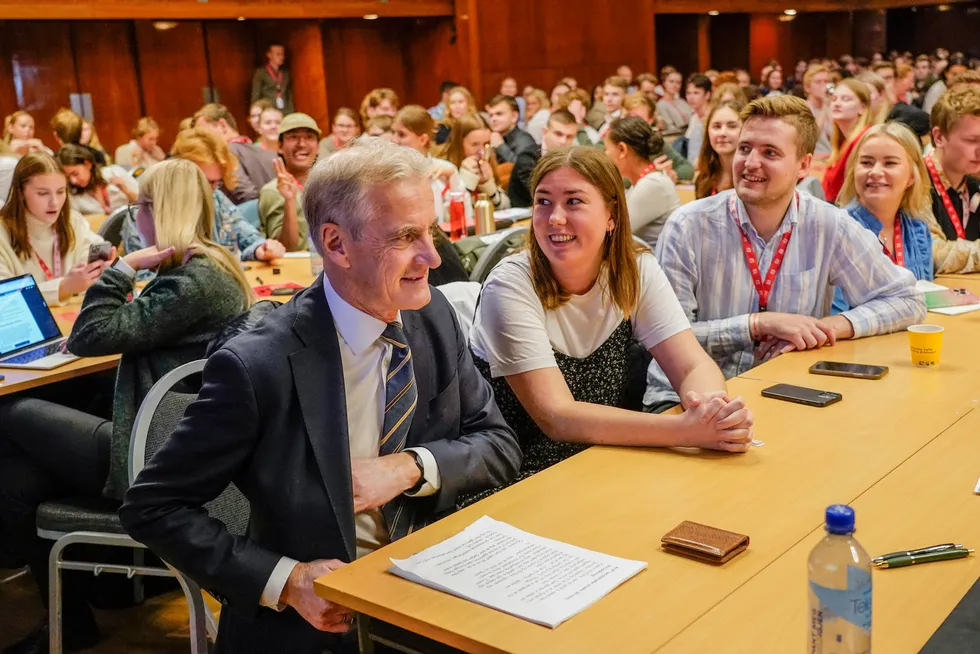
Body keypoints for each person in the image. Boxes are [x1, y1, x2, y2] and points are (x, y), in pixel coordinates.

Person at [119, 139, 522, 654]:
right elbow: (154, 507)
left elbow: (497, 443)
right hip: (325, 618)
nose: (433, 255)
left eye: (431, 231)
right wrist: (288, 581)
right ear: (336, 244)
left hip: (436, 586)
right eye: (405, 237)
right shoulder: (259, 364)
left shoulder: (432, 315)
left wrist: (411, 467)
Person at [0, 158, 252, 654]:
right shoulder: (209, 264)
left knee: (12, 413)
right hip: (175, 441)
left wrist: (119, 271)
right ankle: (91, 601)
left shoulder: (191, 282)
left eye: (140, 206)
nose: (134, 215)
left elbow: (91, 334)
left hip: (156, 456)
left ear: (162, 212)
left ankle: (78, 612)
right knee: (15, 479)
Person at [468, 145, 752, 495]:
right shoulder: (510, 284)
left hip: (601, 460)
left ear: (611, 216)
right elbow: (557, 417)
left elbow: (693, 363)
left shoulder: (635, 269)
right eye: (543, 202)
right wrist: (685, 430)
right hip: (516, 477)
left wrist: (713, 411)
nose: (555, 217)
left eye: (574, 201)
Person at [645, 95, 925, 409]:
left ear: (803, 166)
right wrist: (758, 324)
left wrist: (828, 327)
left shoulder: (827, 224)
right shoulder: (688, 226)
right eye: (745, 148)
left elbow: (906, 300)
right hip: (686, 399)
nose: (751, 163)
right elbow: (667, 339)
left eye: (770, 153)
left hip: (785, 388)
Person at [124, 128, 285, 264]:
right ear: (178, 172)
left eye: (216, 183)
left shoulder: (217, 199)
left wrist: (260, 249)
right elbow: (142, 279)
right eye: (204, 182)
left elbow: (248, 238)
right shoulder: (146, 210)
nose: (210, 191)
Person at [837, 122, 936, 293]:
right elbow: (834, 313)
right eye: (866, 163)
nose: (875, 172)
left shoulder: (918, 230)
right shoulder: (838, 231)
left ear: (912, 176)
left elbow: (924, 296)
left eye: (889, 163)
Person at [0, 152, 109, 306]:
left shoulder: (73, 220)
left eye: (60, 192)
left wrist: (100, 269)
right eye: (43, 193)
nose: (55, 203)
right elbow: (5, 299)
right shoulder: (3, 233)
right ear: (21, 193)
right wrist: (64, 287)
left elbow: (91, 251)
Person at [603, 116, 681, 249]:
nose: (605, 154)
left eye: (607, 148)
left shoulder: (653, 184)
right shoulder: (645, 181)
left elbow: (612, 232)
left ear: (622, 149)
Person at [925, 86, 980, 274]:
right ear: (939, 137)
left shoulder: (972, 183)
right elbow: (932, 253)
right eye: (972, 140)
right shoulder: (915, 181)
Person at [259, 113, 319, 251]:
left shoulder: (328, 186)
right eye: (293, 137)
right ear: (280, 146)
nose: (302, 144)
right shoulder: (273, 191)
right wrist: (289, 200)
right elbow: (286, 250)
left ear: (318, 146)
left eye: (309, 137)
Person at [194, 103, 277, 204]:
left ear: (222, 125)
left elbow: (246, 195)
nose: (202, 141)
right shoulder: (268, 153)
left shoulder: (227, 153)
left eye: (204, 133)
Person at [437, 112, 511, 212]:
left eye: (486, 144)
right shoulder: (442, 167)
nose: (481, 151)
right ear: (459, 144)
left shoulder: (489, 158)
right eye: (474, 144)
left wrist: (488, 185)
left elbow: (506, 208)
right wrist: (466, 182)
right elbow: (446, 217)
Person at [508, 109, 578, 208]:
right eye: (558, 134)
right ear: (545, 132)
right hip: (525, 217)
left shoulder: (573, 160)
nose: (563, 141)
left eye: (569, 137)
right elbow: (542, 195)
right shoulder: (528, 157)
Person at [621, 92, 695, 182]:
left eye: (638, 119)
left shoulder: (654, 142)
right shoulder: (609, 142)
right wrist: (650, 174)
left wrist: (668, 174)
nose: (631, 123)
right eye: (627, 117)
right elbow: (609, 181)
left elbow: (688, 169)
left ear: (650, 121)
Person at [822, 79, 875, 203]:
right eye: (834, 99)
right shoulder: (842, 141)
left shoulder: (865, 140)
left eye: (845, 99)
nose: (837, 103)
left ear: (862, 108)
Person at [57, 144, 137, 215]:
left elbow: (146, 202)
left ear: (87, 164)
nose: (73, 181)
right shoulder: (73, 196)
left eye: (75, 174)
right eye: (68, 177)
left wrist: (126, 191)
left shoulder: (114, 172)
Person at [694, 100, 744, 199]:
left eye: (732, 126)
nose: (722, 133)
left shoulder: (754, 180)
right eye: (717, 126)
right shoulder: (703, 179)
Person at [879, 61, 931, 138]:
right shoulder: (880, 102)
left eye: (890, 78)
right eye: (910, 81)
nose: (912, 85)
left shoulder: (904, 99)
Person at [487, 94, 536, 164]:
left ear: (514, 116)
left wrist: (500, 146)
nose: (493, 119)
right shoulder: (490, 138)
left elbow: (523, 170)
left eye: (499, 114)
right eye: (491, 115)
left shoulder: (525, 140)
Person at [252, 43, 294, 114]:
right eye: (278, 54)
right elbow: (255, 95)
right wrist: (256, 113)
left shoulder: (285, 74)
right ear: (269, 55)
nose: (282, 57)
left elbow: (289, 96)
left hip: (285, 111)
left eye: (282, 54)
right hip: (268, 111)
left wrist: (291, 112)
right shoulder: (261, 73)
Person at [803, 65, 833, 157]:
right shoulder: (803, 108)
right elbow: (812, 137)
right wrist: (824, 106)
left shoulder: (833, 107)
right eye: (818, 82)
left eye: (826, 81)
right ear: (808, 88)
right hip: (814, 160)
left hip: (831, 158)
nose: (823, 85)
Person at [684, 73, 713, 164]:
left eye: (696, 93)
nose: (691, 97)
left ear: (707, 95)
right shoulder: (694, 117)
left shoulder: (712, 117)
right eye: (688, 93)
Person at [656, 69, 693, 134]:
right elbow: (670, 127)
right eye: (671, 81)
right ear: (664, 83)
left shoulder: (682, 101)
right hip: (674, 136)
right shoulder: (661, 104)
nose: (675, 85)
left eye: (678, 82)